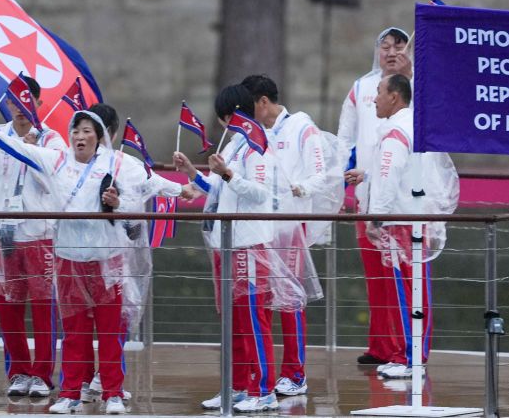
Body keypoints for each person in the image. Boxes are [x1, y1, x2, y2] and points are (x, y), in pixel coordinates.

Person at [0, 109, 140, 416]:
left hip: (104, 259)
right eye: (75, 131)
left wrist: (184, 185)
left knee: (110, 332)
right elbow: (19, 148)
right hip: (69, 258)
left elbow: (143, 193)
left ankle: (113, 392)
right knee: (74, 333)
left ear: (99, 137)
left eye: (87, 131)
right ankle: (71, 392)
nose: (79, 137)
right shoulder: (57, 161)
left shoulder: (117, 164)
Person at [174, 84, 305, 414]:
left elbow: (261, 195)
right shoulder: (234, 145)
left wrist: (229, 174)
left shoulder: (258, 147)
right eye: (223, 119)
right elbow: (218, 188)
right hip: (225, 243)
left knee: (252, 319)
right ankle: (234, 386)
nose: (223, 123)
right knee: (232, 321)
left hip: (247, 243)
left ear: (237, 115)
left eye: (227, 116)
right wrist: (194, 174)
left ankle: (262, 389)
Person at [80, 102, 197, 404]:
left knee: (87, 319)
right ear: (115, 132)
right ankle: (104, 382)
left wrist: (181, 188)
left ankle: (93, 380)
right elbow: (156, 184)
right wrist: (184, 188)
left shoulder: (75, 163)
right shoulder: (124, 164)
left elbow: (155, 184)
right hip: (113, 253)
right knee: (114, 318)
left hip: (82, 251)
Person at [0, 76, 65, 399]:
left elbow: (48, 174)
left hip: (40, 231)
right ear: (7, 104)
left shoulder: (52, 140)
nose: (20, 110)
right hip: (5, 231)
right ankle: (18, 371)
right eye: (13, 103)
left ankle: (42, 374)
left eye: (26, 103)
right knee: (9, 305)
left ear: (37, 103)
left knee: (43, 306)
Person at [240, 75, 340, 398]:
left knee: (290, 298)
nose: (245, 112)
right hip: (260, 227)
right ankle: (262, 371)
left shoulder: (301, 127)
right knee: (262, 299)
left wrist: (303, 188)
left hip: (290, 226)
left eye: (249, 104)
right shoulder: (254, 134)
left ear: (263, 102)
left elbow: (322, 173)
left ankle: (295, 373)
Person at [345, 74, 433, 380]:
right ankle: (413, 356)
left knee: (405, 292)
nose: (375, 99)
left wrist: (375, 218)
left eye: (380, 93)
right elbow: (404, 171)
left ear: (394, 97)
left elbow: (390, 175)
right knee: (416, 290)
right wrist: (367, 174)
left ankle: (408, 357)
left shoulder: (395, 131)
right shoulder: (413, 126)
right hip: (415, 219)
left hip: (399, 224)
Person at [337, 27, 413, 365]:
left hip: (403, 198)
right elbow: (345, 140)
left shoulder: (413, 89)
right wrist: (338, 188)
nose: (392, 52)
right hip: (367, 193)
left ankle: (404, 349)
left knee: (400, 273)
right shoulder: (361, 89)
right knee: (375, 274)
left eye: (399, 46)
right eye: (386, 46)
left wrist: (410, 73)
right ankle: (380, 345)